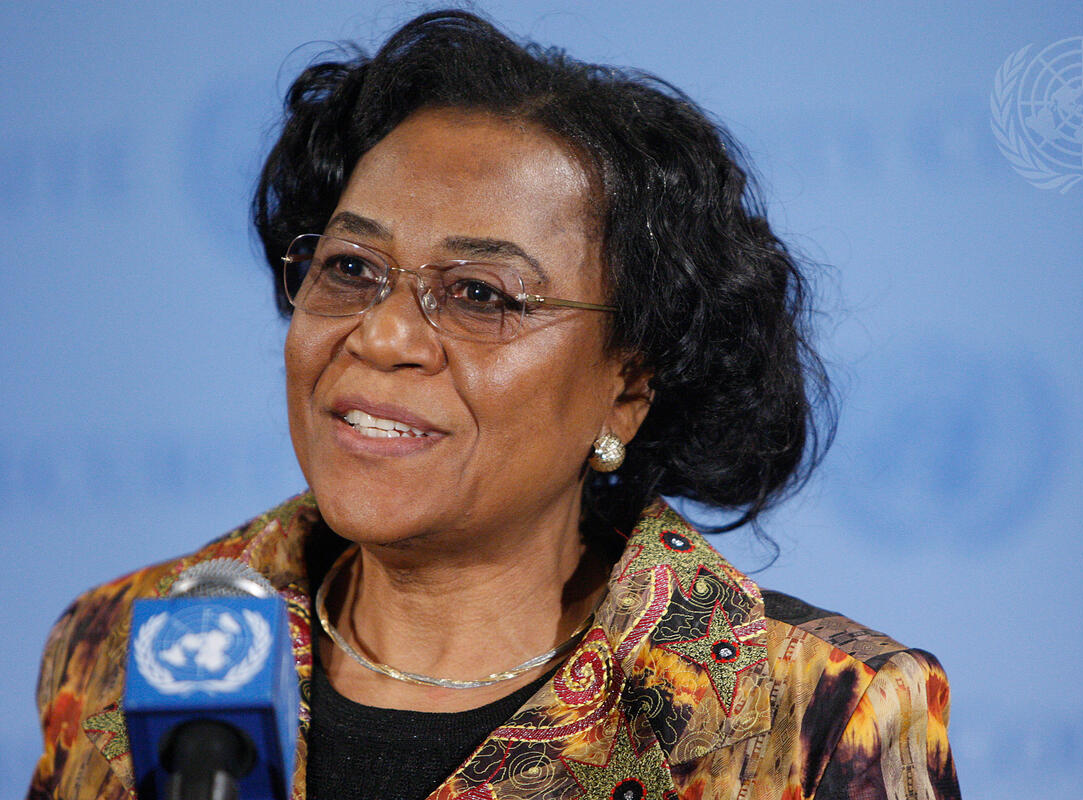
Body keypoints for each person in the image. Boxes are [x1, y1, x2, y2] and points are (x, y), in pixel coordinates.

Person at [28, 10, 960, 800]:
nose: (382, 335)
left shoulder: (815, 713)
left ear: (628, 386)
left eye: (480, 294)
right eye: (349, 268)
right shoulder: (124, 649)